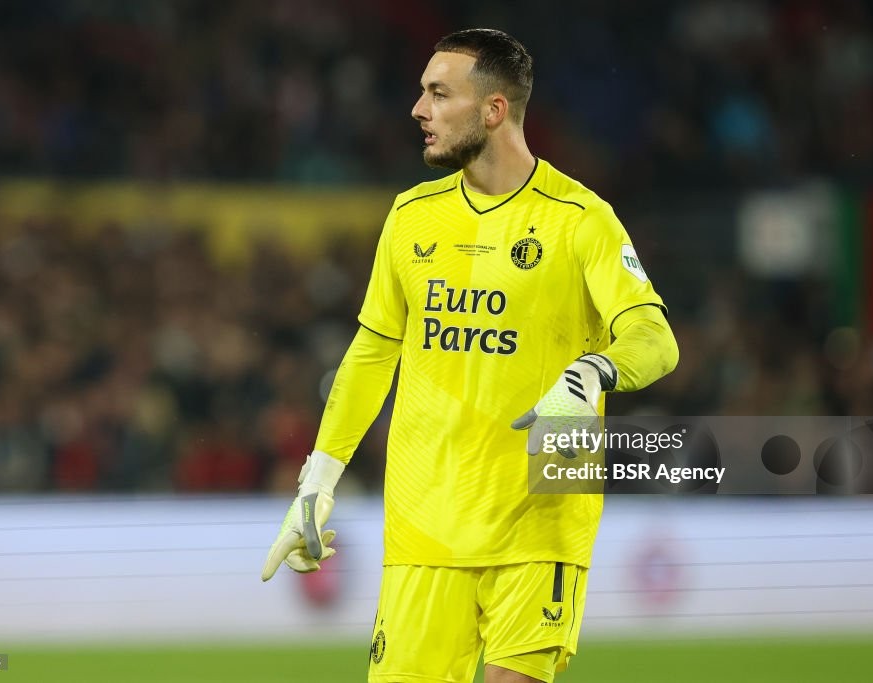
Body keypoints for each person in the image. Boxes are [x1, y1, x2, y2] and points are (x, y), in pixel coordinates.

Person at [262, 28, 679, 683]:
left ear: (493, 110)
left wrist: (592, 371)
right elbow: (371, 354)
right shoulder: (410, 217)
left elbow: (655, 338)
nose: (417, 110)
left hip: (537, 523)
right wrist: (318, 480)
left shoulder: (580, 219)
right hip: (423, 528)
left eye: (438, 93)